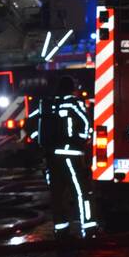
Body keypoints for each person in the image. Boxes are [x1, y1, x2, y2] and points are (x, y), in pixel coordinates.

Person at [28, 76, 96, 239]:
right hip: (70, 155)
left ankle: (61, 229)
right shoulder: (74, 103)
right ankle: (89, 227)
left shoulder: (46, 105)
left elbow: (30, 123)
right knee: (80, 191)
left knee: (57, 194)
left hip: (52, 155)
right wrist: (82, 139)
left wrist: (39, 140)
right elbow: (87, 124)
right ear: (72, 88)